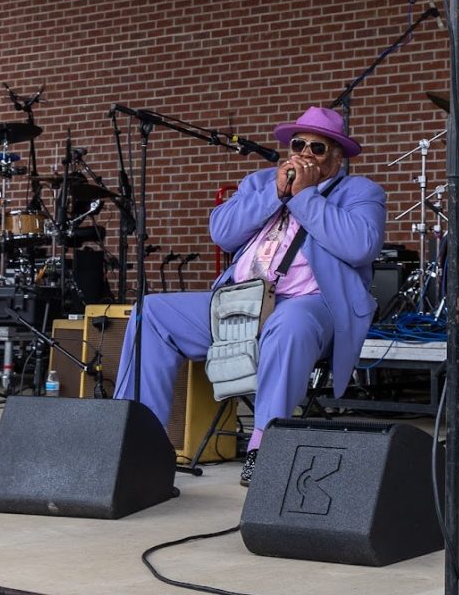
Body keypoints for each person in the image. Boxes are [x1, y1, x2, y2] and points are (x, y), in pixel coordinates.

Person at [116, 105, 387, 482]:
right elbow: (222, 233)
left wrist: (305, 196)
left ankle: (265, 448)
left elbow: (360, 247)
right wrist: (276, 192)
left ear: (337, 158)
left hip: (310, 306)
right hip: (241, 301)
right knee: (151, 313)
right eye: (299, 144)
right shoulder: (261, 182)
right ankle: (136, 441)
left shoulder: (359, 191)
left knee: (290, 324)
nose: (305, 154)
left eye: (318, 148)